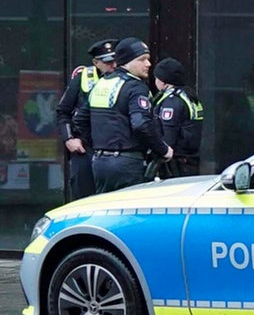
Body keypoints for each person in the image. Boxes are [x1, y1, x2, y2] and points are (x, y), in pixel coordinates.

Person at [72, 38, 170, 194]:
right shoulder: (136, 86)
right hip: (127, 163)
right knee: (131, 215)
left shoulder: (102, 83)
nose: (148, 64)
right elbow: (141, 124)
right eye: (142, 59)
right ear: (126, 61)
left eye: (148, 59)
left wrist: (100, 145)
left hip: (99, 163)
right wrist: (163, 149)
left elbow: (80, 119)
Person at [55, 39, 117, 200]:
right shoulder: (83, 78)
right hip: (86, 148)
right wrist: (69, 139)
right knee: (83, 198)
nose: (114, 66)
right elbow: (63, 112)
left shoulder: (125, 80)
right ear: (96, 62)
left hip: (114, 151)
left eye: (117, 61)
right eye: (109, 62)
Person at [152, 58, 204, 179]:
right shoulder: (189, 96)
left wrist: (161, 153)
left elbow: (168, 135)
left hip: (175, 163)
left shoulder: (172, 101)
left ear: (163, 81)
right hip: (189, 160)